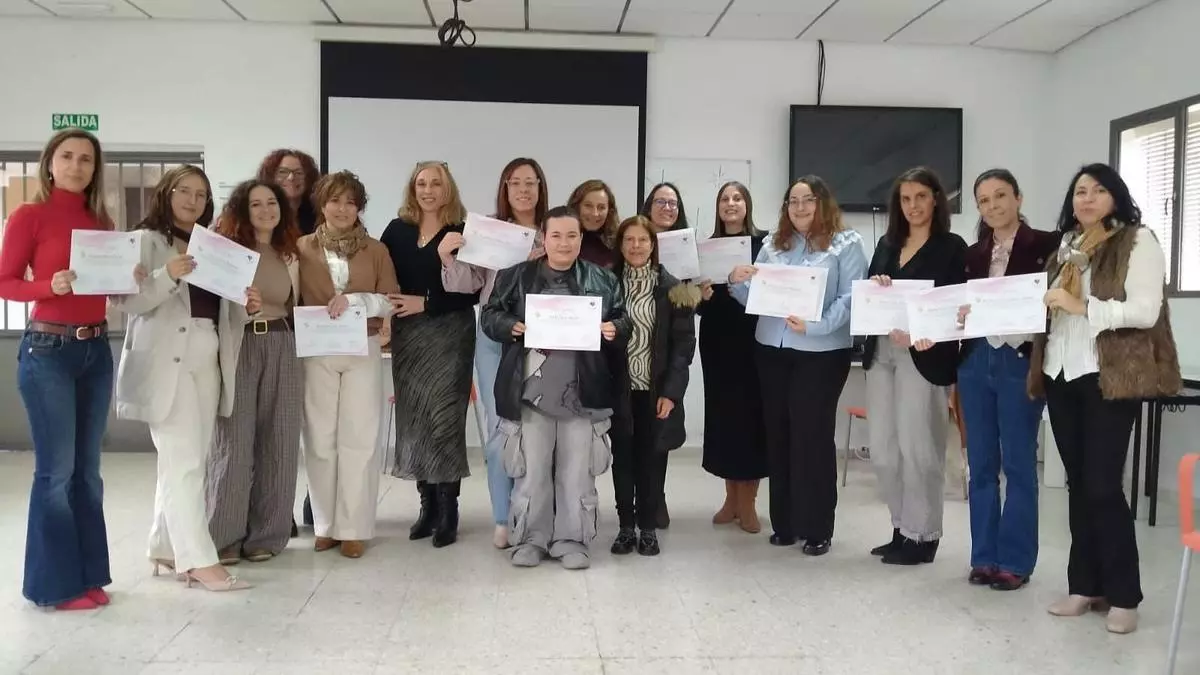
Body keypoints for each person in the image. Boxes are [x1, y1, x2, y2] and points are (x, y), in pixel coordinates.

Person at [1033, 163, 1179, 634]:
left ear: (1116, 197)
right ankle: (1084, 586)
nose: (1087, 198)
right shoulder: (1066, 248)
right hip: (1060, 373)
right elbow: (1048, 311)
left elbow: (1145, 310)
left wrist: (1082, 306)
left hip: (1109, 377)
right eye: (1080, 191)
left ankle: (1124, 595)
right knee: (1078, 485)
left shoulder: (1138, 241)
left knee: (1102, 486)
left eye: (1098, 190)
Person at [112, 165, 257, 591]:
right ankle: (197, 559)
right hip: (165, 357)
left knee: (188, 457)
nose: (193, 200)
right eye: (184, 191)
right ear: (167, 193)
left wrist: (246, 304)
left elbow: (222, 309)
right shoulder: (144, 241)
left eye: (201, 194)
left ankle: (164, 545)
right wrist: (167, 274)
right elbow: (126, 301)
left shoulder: (213, 246)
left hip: (207, 352)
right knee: (185, 460)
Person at [0, 129, 122, 609]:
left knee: (88, 473)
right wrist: (47, 286)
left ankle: (88, 575)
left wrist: (125, 279)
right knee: (56, 473)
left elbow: (105, 288)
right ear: (50, 163)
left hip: (96, 351)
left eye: (86, 159)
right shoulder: (29, 215)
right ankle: (53, 587)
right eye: (67, 156)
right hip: (48, 350)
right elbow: (5, 282)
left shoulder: (101, 221)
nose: (76, 166)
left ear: (95, 169)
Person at [481, 205, 631, 569]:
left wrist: (615, 329)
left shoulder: (602, 279)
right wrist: (511, 326)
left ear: (581, 239)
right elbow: (490, 315)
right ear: (544, 239)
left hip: (582, 392)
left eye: (572, 236)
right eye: (556, 236)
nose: (564, 243)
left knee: (576, 473)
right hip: (531, 393)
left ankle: (571, 540)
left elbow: (623, 319)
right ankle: (531, 539)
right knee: (531, 472)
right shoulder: (516, 276)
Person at [729, 176, 867, 556]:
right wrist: (736, 282)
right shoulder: (775, 244)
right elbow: (754, 295)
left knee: (812, 437)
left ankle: (817, 526)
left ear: (823, 203)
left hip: (821, 352)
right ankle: (785, 523)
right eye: (793, 201)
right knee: (779, 435)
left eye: (808, 200)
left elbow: (851, 297)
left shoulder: (847, 243)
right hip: (771, 349)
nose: (800, 207)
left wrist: (815, 326)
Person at [957, 169, 1060, 591]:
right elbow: (956, 306)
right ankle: (983, 556)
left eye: (1000, 195)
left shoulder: (1048, 245)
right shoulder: (972, 255)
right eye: (984, 200)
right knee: (980, 463)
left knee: (1018, 462)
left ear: (1018, 198)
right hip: (976, 360)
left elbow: (1056, 304)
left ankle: (1015, 561)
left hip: (1019, 361)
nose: (993, 205)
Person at [862, 167, 967, 566]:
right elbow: (870, 294)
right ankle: (901, 526)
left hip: (924, 356)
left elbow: (955, 306)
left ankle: (923, 535)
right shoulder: (887, 244)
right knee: (884, 451)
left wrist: (926, 331)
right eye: (905, 199)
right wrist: (878, 285)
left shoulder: (952, 247)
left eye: (921, 197)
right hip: (882, 353)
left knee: (919, 449)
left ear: (936, 199)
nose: (913, 206)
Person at [438, 158, 546, 548]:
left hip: (542, 336)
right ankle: (503, 515)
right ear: (504, 188)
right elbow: (465, 284)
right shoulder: (487, 229)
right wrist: (449, 256)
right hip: (493, 336)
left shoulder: (551, 231)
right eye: (515, 183)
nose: (523, 190)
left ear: (540, 187)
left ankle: (534, 514)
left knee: (539, 427)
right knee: (500, 425)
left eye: (530, 182)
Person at [297, 170, 399, 559]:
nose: (342, 209)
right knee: (320, 439)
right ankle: (326, 526)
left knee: (359, 438)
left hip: (362, 348)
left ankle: (354, 528)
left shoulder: (376, 249)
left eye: (350, 202)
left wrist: (356, 301)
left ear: (359, 208)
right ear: (322, 205)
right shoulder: (301, 247)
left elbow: (390, 299)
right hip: (316, 351)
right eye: (334, 201)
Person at [205, 179, 302, 564]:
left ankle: (268, 535)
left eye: (271, 202)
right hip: (241, 343)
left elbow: (296, 304)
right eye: (256, 204)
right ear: (243, 211)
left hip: (282, 344)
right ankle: (224, 535)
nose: (266, 210)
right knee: (233, 439)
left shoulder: (289, 254)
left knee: (280, 440)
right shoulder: (228, 252)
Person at [382, 161, 478, 548]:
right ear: (412, 188)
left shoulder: (464, 232)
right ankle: (427, 507)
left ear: (447, 188)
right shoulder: (396, 230)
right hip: (408, 336)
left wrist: (425, 302)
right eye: (421, 183)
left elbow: (472, 291)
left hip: (450, 333)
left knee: (444, 421)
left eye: (436, 183)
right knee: (415, 420)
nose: (428, 190)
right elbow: (384, 279)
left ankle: (448, 509)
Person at [608, 215, 697, 557]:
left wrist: (672, 394)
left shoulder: (675, 289)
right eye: (629, 240)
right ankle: (625, 527)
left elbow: (683, 348)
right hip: (618, 389)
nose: (636, 246)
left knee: (651, 461)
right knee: (622, 460)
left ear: (653, 245)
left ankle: (647, 528)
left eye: (642, 240)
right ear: (620, 245)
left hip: (656, 392)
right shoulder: (606, 283)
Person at [256, 148, 320, 535]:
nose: (291, 179)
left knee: (313, 422)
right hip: (274, 332)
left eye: (298, 173)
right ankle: (278, 509)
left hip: (317, 334)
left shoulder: (324, 217)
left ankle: (317, 500)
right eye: (283, 173)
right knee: (277, 428)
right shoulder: (258, 221)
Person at [698, 181, 768, 533]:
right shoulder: (705, 248)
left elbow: (771, 292)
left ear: (747, 204)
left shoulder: (765, 244)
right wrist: (700, 295)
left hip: (753, 341)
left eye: (737, 198)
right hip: (716, 343)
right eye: (725, 198)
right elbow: (692, 303)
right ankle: (730, 499)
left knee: (752, 420)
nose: (731, 203)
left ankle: (748, 502)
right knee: (724, 419)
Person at [567, 179, 618, 268]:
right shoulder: (560, 240)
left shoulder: (618, 243)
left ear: (609, 211)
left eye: (601, 207)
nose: (595, 213)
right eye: (588, 205)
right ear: (576, 206)